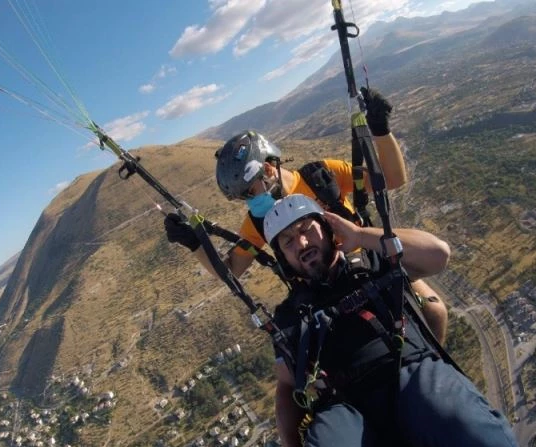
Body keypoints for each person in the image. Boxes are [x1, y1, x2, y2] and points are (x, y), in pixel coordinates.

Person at [164, 88, 448, 343]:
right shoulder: (257, 222)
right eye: (243, 197)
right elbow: (231, 271)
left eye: (251, 191)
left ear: (269, 170)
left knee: (434, 310)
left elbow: (393, 178)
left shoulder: (322, 177)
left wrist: (380, 131)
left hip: (371, 261)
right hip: (321, 288)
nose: (250, 201)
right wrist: (194, 243)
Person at [263, 194, 518, 447]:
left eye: (306, 229)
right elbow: (287, 385)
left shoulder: (374, 260)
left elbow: (438, 254)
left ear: (328, 227)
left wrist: (361, 236)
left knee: (464, 427)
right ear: (284, 259)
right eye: (288, 242)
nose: (302, 243)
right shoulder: (288, 315)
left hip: (408, 373)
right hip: (344, 406)